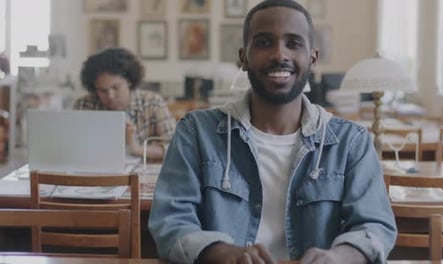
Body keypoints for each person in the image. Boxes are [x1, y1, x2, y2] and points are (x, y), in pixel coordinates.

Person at [148, 0, 397, 263]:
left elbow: (375, 227)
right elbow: (170, 220)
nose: (280, 55)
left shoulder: (351, 142)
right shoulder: (196, 132)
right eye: (264, 43)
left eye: (293, 43)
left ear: (313, 58)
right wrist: (223, 253)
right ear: (243, 58)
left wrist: (338, 257)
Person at [75, 47, 175, 160]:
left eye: (116, 87)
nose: (110, 96)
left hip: (143, 175)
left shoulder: (152, 103)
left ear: (129, 81)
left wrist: (137, 149)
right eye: (102, 91)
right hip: (97, 174)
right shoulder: (85, 104)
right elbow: (74, 147)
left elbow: (175, 149)